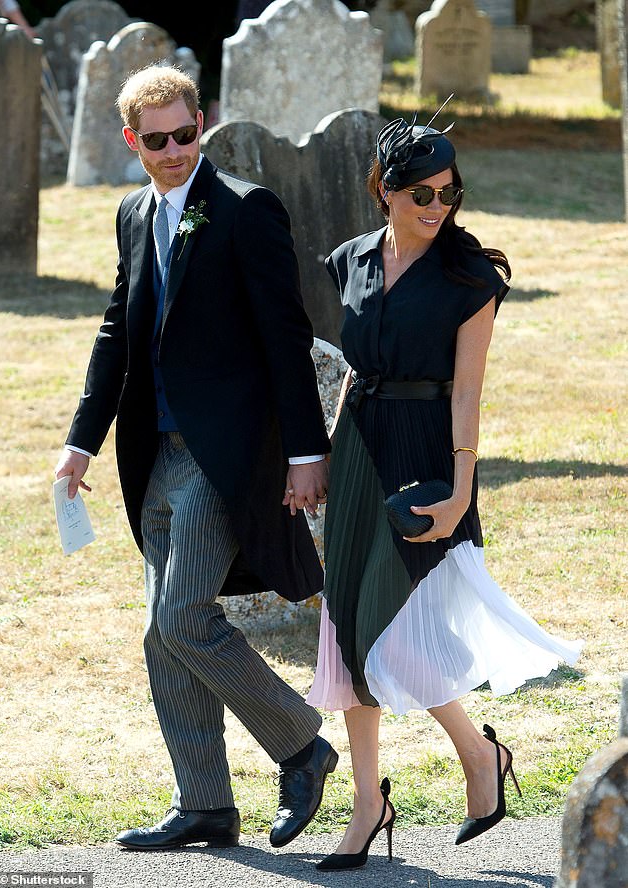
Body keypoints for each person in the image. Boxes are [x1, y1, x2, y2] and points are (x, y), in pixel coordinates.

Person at [54, 64, 338, 851]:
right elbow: (119, 329)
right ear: (131, 142)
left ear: (201, 122)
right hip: (155, 456)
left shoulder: (247, 211)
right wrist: (81, 443)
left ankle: (301, 744)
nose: (176, 151)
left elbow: (286, 335)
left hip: (226, 457)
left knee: (184, 615)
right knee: (159, 630)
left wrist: (306, 453)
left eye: (186, 134)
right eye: (158, 141)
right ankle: (205, 802)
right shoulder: (132, 212)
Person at [305, 111, 584, 870]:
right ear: (385, 191)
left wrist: (462, 489)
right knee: (349, 631)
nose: (437, 205)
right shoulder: (351, 259)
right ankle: (370, 805)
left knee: (395, 625)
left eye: (448, 193)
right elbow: (356, 372)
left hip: (428, 454)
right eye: (422, 192)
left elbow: (468, 392)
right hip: (360, 450)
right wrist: (328, 457)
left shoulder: (471, 277)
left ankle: (476, 756)